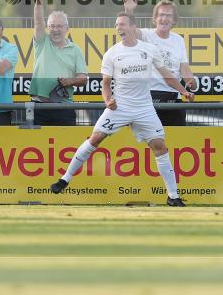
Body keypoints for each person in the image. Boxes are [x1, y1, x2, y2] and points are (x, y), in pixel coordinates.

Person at [50, 12, 194, 207]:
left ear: (133, 27)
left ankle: (173, 196)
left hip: (144, 107)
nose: (119, 28)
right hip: (120, 106)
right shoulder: (112, 53)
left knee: (159, 146)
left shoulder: (149, 50)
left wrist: (183, 91)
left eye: (122, 24)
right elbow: (105, 84)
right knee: (95, 138)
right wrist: (108, 100)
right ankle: (64, 179)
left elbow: (167, 75)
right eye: (117, 25)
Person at [123, 0, 197, 125]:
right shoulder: (146, 35)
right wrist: (129, 10)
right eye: (161, 15)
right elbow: (129, 32)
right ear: (155, 19)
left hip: (174, 97)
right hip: (149, 97)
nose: (164, 18)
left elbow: (184, 68)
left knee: (177, 137)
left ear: (174, 20)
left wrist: (192, 83)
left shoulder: (179, 40)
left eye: (168, 15)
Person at [29, 0, 88, 126]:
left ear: (67, 28)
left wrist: (70, 81)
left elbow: (83, 79)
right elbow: (38, 23)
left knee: (65, 141)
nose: (55, 29)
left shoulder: (75, 50)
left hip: (64, 107)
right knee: (36, 140)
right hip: (39, 106)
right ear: (48, 27)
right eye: (52, 26)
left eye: (59, 26)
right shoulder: (41, 42)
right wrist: (38, 3)